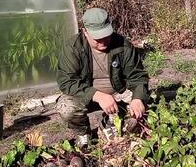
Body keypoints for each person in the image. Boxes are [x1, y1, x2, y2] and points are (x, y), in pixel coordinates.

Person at [55, 8, 149, 145]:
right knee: (66, 107)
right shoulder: (72, 48)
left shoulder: (123, 45)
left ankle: (114, 121)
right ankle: (84, 134)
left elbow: (137, 76)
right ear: (85, 32)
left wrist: (138, 98)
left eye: (106, 35)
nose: (103, 41)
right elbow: (67, 82)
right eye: (97, 38)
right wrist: (98, 95)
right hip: (88, 96)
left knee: (141, 105)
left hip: (119, 93)